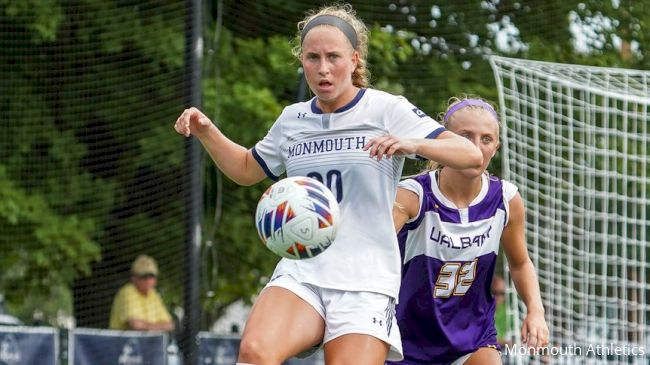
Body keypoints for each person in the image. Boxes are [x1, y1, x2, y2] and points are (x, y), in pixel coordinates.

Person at [174, 4, 482, 364]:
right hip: (302, 270)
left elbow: (470, 157)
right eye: (312, 57)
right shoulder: (293, 119)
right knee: (254, 353)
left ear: (354, 60)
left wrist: (413, 143)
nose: (323, 68)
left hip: (365, 281)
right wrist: (207, 131)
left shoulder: (385, 110)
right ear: (302, 61)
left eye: (333, 57)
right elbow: (246, 168)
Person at [388, 97, 549, 365]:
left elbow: (520, 264)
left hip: (473, 340)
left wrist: (536, 311)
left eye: (486, 139)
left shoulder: (506, 200)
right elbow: (369, 251)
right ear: (445, 142)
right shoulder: (412, 196)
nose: (476, 148)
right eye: (465, 138)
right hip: (406, 342)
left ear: (496, 147)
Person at [109, 255, 175, 332]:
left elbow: (170, 325)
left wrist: (146, 326)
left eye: (151, 276)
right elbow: (136, 326)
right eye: (144, 276)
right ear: (134, 278)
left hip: (148, 342)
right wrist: (158, 326)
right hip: (122, 343)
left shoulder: (153, 294)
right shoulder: (128, 292)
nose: (148, 280)